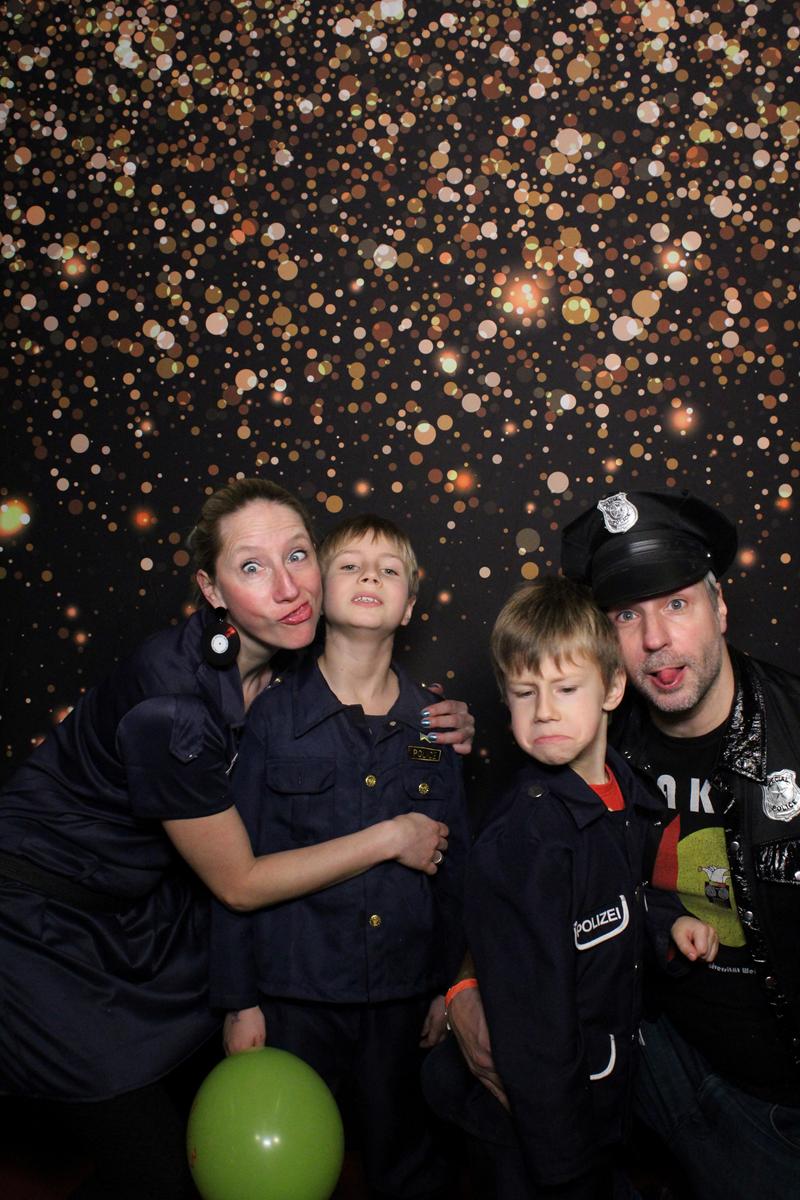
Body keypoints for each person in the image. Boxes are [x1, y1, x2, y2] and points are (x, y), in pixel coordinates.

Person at [0, 478, 473, 1200]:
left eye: (298, 555)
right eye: (252, 567)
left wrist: (440, 721)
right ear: (211, 590)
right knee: (162, 1167)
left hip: (138, 912)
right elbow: (240, 883)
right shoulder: (172, 705)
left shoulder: (289, 652)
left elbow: (374, 696)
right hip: (38, 917)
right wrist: (390, 837)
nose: (287, 587)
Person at [449, 489, 800, 1199]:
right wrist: (462, 985)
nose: (655, 639)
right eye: (627, 615)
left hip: (770, 1087)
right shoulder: (588, 737)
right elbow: (521, 886)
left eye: (677, 603)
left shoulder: (791, 727)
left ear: (720, 608)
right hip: (645, 1051)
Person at [427, 576, 717, 1199]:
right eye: (524, 693)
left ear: (612, 688)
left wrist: (668, 924)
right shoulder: (525, 844)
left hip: (602, 1101)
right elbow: (534, 1030)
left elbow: (622, 898)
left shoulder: (625, 794)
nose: (544, 711)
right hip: (535, 1133)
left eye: (565, 688)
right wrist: (566, 1168)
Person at [210, 514, 470, 1200]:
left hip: (402, 1000)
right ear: (320, 594)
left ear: (408, 606)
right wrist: (239, 1002)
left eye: (389, 570)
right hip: (294, 996)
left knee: (407, 1165)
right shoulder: (271, 719)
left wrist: (448, 985)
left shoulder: (436, 727)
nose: (370, 577)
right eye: (350, 565)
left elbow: (457, 875)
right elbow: (231, 870)